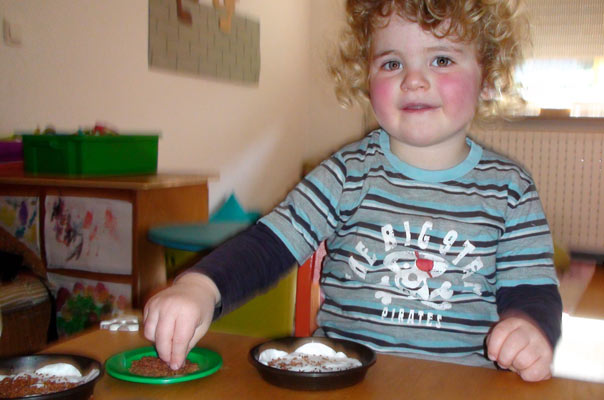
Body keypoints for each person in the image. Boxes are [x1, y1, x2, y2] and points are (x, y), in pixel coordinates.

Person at [144, 0, 562, 382]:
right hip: (346, 382)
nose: (414, 80)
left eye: (441, 59)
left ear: (486, 78)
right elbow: (269, 246)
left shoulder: (511, 189)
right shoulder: (347, 173)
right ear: (366, 76)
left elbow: (533, 289)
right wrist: (201, 287)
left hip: (458, 387)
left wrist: (530, 327)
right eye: (392, 63)